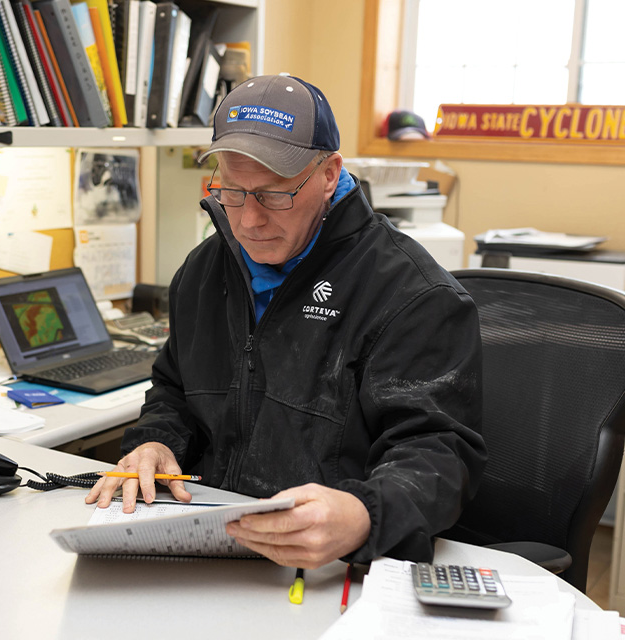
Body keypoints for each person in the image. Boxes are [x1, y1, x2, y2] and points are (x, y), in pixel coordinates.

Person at [85, 74, 487, 569]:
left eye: (274, 195)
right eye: (232, 191)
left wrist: (364, 513)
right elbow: (174, 391)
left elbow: (438, 453)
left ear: (328, 174)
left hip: (333, 565)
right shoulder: (204, 270)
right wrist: (155, 443)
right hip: (213, 547)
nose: (250, 221)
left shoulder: (414, 295)